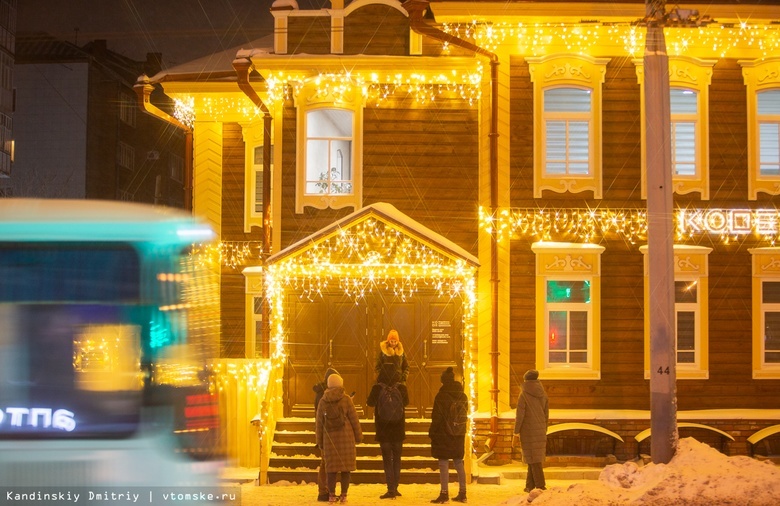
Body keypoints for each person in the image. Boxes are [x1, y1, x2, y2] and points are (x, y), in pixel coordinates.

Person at [316, 373, 362, 503]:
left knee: (331, 469)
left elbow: (319, 423)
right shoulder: (346, 399)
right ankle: (344, 495)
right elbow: (354, 419)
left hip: (329, 440)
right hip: (346, 439)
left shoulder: (323, 401)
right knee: (345, 469)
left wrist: (319, 441)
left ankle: (331, 494)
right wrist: (358, 436)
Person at [367, 362, 409, 499]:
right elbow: (406, 402)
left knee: (387, 460)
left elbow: (370, 403)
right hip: (398, 429)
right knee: (397, 458)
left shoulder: (377, 388)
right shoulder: (401, 387)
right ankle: (395, 488)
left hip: (383, 430)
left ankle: (390, 489)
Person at [428, 367, 468, 504]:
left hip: (443, 433)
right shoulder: (463, 395)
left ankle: (444, 493)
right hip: (458, 433)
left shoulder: (441, 396)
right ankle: (463, 493)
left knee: (443, 463)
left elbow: (437, 418)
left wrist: (432, 432)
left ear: (443, 381)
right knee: (458, 462)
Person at [513, 369, 549, 494]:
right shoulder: (543, 393)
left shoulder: (523, 394)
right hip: (540, 428)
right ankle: (529, 485)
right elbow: (546, 414)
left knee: (533, 459)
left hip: (528, 430)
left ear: (526, 380)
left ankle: (540, 485)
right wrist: (544, 428)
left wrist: (516, 431)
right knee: (533, 457)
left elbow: (520, 415)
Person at [313, 367, 340, 502]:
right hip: (327, 432)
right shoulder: (324, 396)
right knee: (326, 463)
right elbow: (325, 415)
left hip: (324, 432)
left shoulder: (321, 394)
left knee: (327, 462)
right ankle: (324, 491)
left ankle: (327, 490)